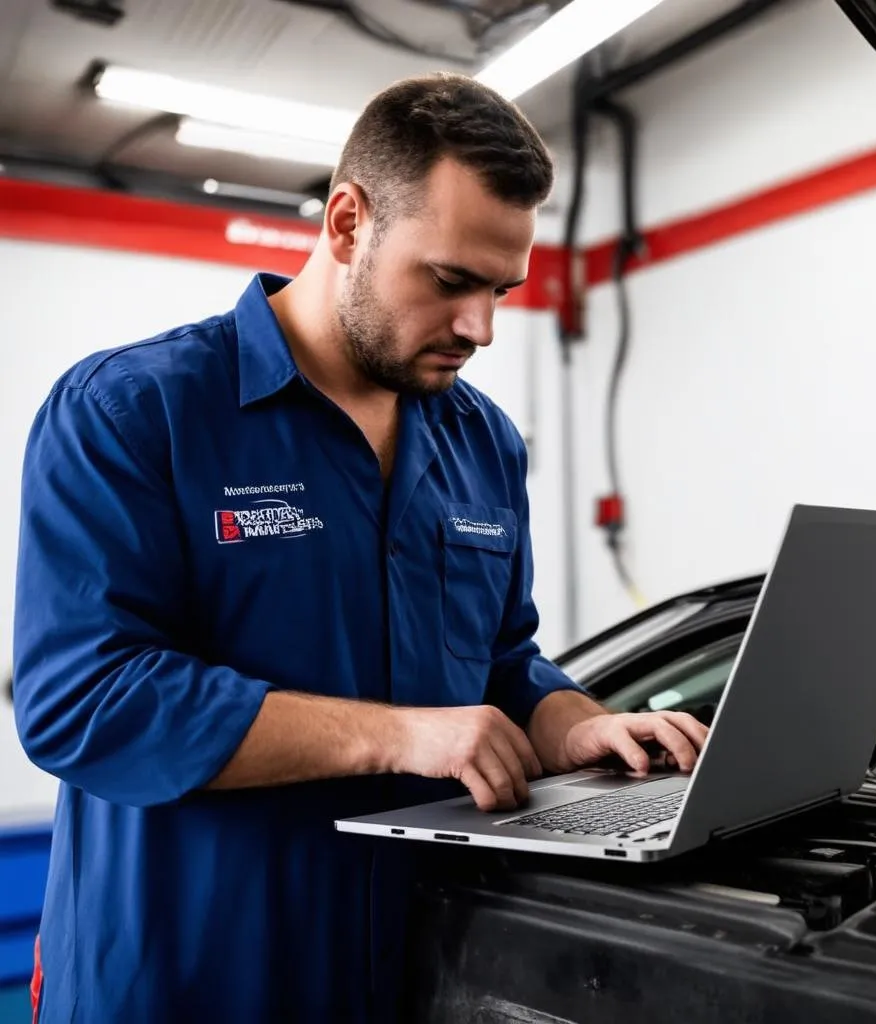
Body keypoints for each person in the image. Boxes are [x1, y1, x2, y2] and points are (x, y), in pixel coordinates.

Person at [12, 73, 707, 1023]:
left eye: (501, 289)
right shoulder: (135, 413)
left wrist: (575, 726)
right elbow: (84, 703)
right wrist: (397, 731)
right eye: (451, 281)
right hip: (189, 980)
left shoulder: (484, 444)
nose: (482, 328)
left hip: (411, 975)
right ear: (347, 225)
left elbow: (502, 662)